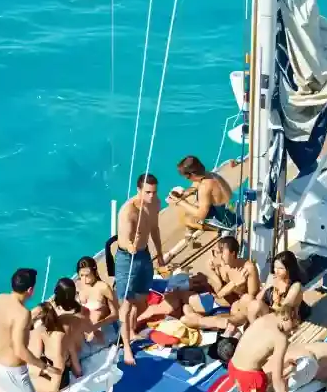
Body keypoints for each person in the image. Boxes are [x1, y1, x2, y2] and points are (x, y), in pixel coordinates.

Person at [114, 172, 166, 365]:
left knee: (142, 299)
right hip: (127, 258)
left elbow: (154, 228)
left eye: (154, 192)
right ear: (139, 191)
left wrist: (159, 253)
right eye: (148, 192)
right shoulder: (128, 211)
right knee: (126, 305)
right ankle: (126, 347)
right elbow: (123, 239)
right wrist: (131, 246)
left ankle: (132, 331)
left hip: (144, 255)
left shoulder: (156, 203)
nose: (152, 196)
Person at [183, 235, 260, 330]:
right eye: (217, 252)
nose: (219, 256)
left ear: (233, 253)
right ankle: (201, 320)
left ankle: (202, 321)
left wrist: (235, 285)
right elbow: (218, 290)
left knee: (246, 299)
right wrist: (213, 272)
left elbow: (252, 297)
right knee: (187, 305)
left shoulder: (248, 268)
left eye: (222, 252)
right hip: (223, 300)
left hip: (238, 306)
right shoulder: (221, 265)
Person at [167, 155, 236, 231]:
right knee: (198, 204)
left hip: (229, 221)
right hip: (232, 209)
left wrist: (180, 202)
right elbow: (198, 186)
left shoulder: (204, 187)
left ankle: (221, 229)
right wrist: (185, 194)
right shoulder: (210, 174)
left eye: (186, 177)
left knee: (186, 218)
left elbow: (201, 215)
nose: (187, 179)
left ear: (191, 175)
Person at [29, 302, 80, 392]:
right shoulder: (61, 334)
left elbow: (54, 386)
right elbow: (76, 364)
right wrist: (78, 373)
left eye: (33, 318)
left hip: (56, 384)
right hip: (57, 376)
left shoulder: (56, 340)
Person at [248, 250, 304, 323]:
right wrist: (266, 287)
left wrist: (279, 296)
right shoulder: (272, 278)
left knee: (257, 305)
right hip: (274, 315)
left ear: (289, 269)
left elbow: (284, 310)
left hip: (286, 319)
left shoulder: (295, 286)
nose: (276, 271)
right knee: (251, 302)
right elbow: (257, 299)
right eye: (275, 267)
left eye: (280, 268)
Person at [75, 256, 117, 333]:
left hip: (104, 329)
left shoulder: (103, 287)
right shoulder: (79, 286)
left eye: (87, 275)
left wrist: (98, 325)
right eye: (81, 275)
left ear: (95, 273)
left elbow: (116, 313)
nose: (84, 279)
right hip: (85, 330)